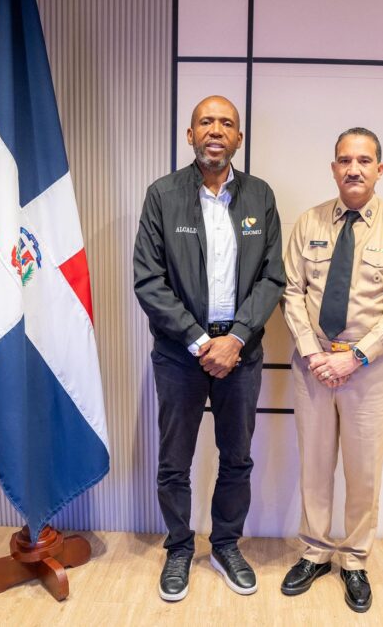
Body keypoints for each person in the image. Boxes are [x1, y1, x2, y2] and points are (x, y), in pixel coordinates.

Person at [133, 95, 285, 602]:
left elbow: (272, 277)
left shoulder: (260, 196)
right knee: (174, 460)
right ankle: (179, 547)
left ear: (238, 138)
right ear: (191, 135)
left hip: (241, 352)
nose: (215, 130)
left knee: (236, 457)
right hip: (181, 353)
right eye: (205, 122)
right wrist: (201, 342)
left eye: (226, 123)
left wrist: (235, 337)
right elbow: (148, 281)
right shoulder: (163, 195)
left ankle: (225, 545)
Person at [280, 127, 383, 613]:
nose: (353, 169)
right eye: (345, 160)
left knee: (364, 473)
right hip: (313, 366)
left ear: (380, 169)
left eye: (363, 161)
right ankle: (315, 553)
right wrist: (312, 353)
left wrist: (355, 356)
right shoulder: (309, 222)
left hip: (369, 372)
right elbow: (291, 292)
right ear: (333, 168)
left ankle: (355, 560)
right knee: (315, 468)